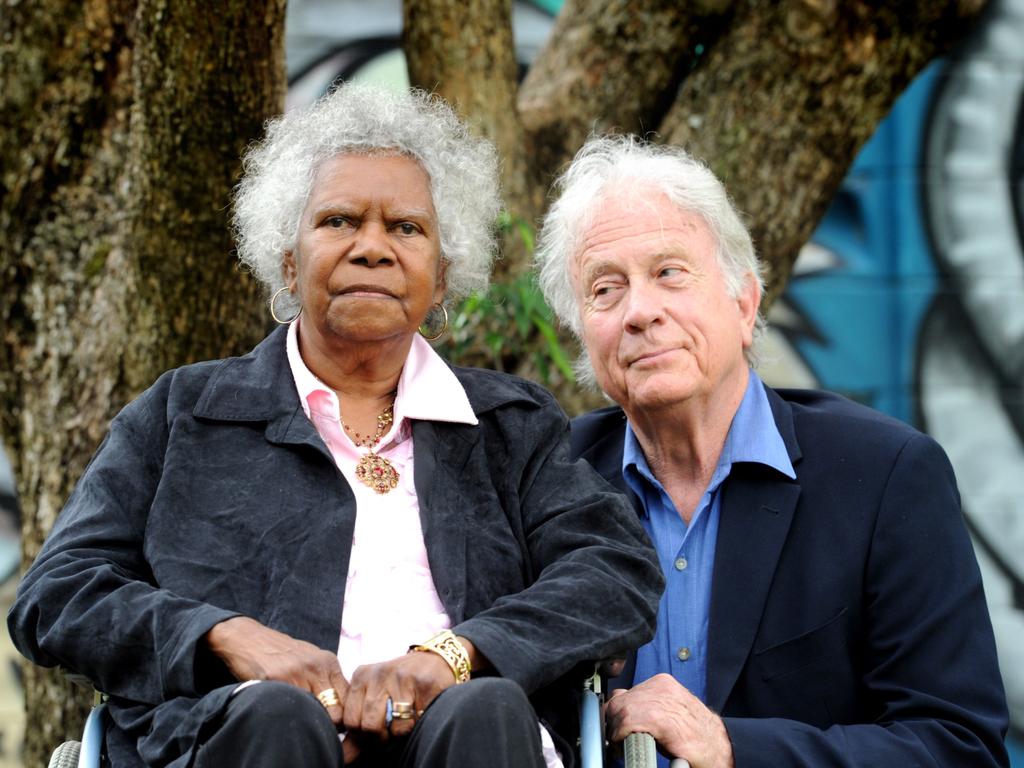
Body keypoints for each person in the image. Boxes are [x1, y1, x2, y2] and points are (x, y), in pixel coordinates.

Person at [7, 87, 663, 768]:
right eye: (339, 221)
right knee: (275, 713)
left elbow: (614, 571)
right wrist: (222, 636)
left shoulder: (510, 428)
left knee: (485, 704)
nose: (372, 248)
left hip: (466, 741)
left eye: (406, 227)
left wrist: (458, 654)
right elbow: (58, 593)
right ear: (288, 263)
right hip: (243, 742)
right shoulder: (183, 414)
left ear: (441, 277)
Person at [535, 135, 1010, 767]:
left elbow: (958, 748)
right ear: (583, 336)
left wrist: (734, 748)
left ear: (745, 302)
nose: (639, 312)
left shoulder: (885, 475)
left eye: (669, 272)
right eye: (605, 289)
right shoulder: (548, 480)